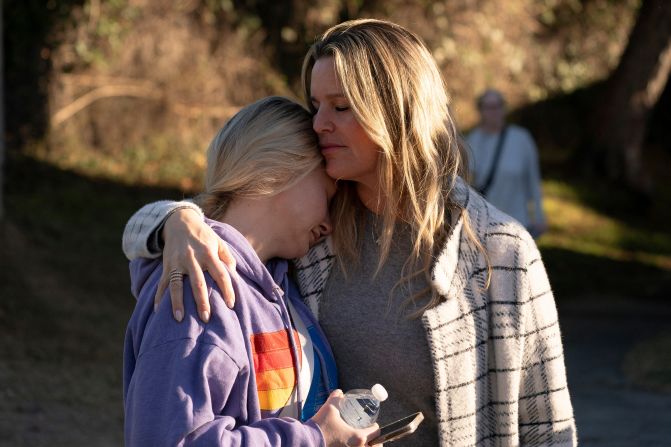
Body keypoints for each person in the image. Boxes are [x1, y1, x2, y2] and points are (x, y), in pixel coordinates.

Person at [122, 20, 577, 446]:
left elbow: (547, 425)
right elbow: (237, 215)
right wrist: (176, 222)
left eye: (340, 107)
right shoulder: (315, 232)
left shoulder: (500, 250)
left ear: (398, 113)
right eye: (316, 105)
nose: (319, 123)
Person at [123, 96, 380, 446]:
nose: (330, 224)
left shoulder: (282, 287)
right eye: (327, 195)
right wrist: (315, 439)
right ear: (281, 170)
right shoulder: (200, 288)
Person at [466, 89, 548, 238]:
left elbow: (533, 180)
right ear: (481, 111)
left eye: (498, 106)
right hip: (485, 223)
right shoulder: (473, 140)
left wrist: (539, 216)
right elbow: (466, 182)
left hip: (517, 221)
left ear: (504, 109)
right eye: (489, 107)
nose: (494, 112)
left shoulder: (522, 139)